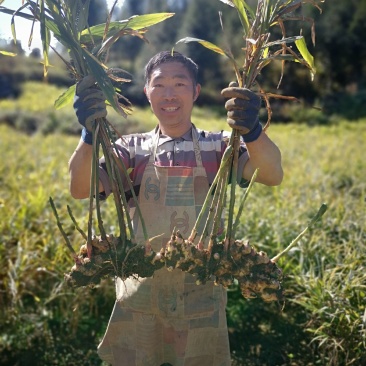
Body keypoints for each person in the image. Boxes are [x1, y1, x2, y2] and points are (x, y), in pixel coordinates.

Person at [69, 50, 283, 366]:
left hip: (201, 293)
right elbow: (80, 187)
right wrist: (89, 133)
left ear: (195, 91)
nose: (169, 94)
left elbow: (271, 174)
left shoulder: (220, 145)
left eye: (180, 84)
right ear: (146, 92)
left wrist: (252, 130)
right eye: (159, 85)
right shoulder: (130, 148)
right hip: (140, 292)